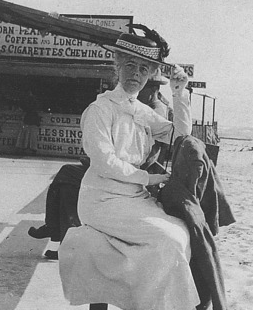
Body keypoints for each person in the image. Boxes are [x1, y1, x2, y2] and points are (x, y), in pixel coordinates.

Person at [58, 28, 199, 310]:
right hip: (102, 200)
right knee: (167, 239)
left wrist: (179, 92)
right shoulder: (100, 110)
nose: (136, 74)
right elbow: (104, 160)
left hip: (133, 198)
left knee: (179, 231)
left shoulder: (140, 111)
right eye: (130, 66)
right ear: (116, 65)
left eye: (144, 69)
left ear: (150, 75)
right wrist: (146, 178)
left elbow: (180, 136)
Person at [28, 74, 172, 259]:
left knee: (68, 179)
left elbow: (151, 155)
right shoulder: (123, 106)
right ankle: (57, 233)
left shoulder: (152, 110)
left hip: (134, 176)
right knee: (68, 181)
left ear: (150, 89)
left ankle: (58, 234)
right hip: (121, 174)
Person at [16, 88, 41, 154]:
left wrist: (22, 109)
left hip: (29, 118)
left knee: (25, 134)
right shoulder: (36, 100)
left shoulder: (30, 99)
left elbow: (27, 107)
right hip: (34, 120)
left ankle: (23, 148)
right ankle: (33, 149)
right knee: (33, 136)